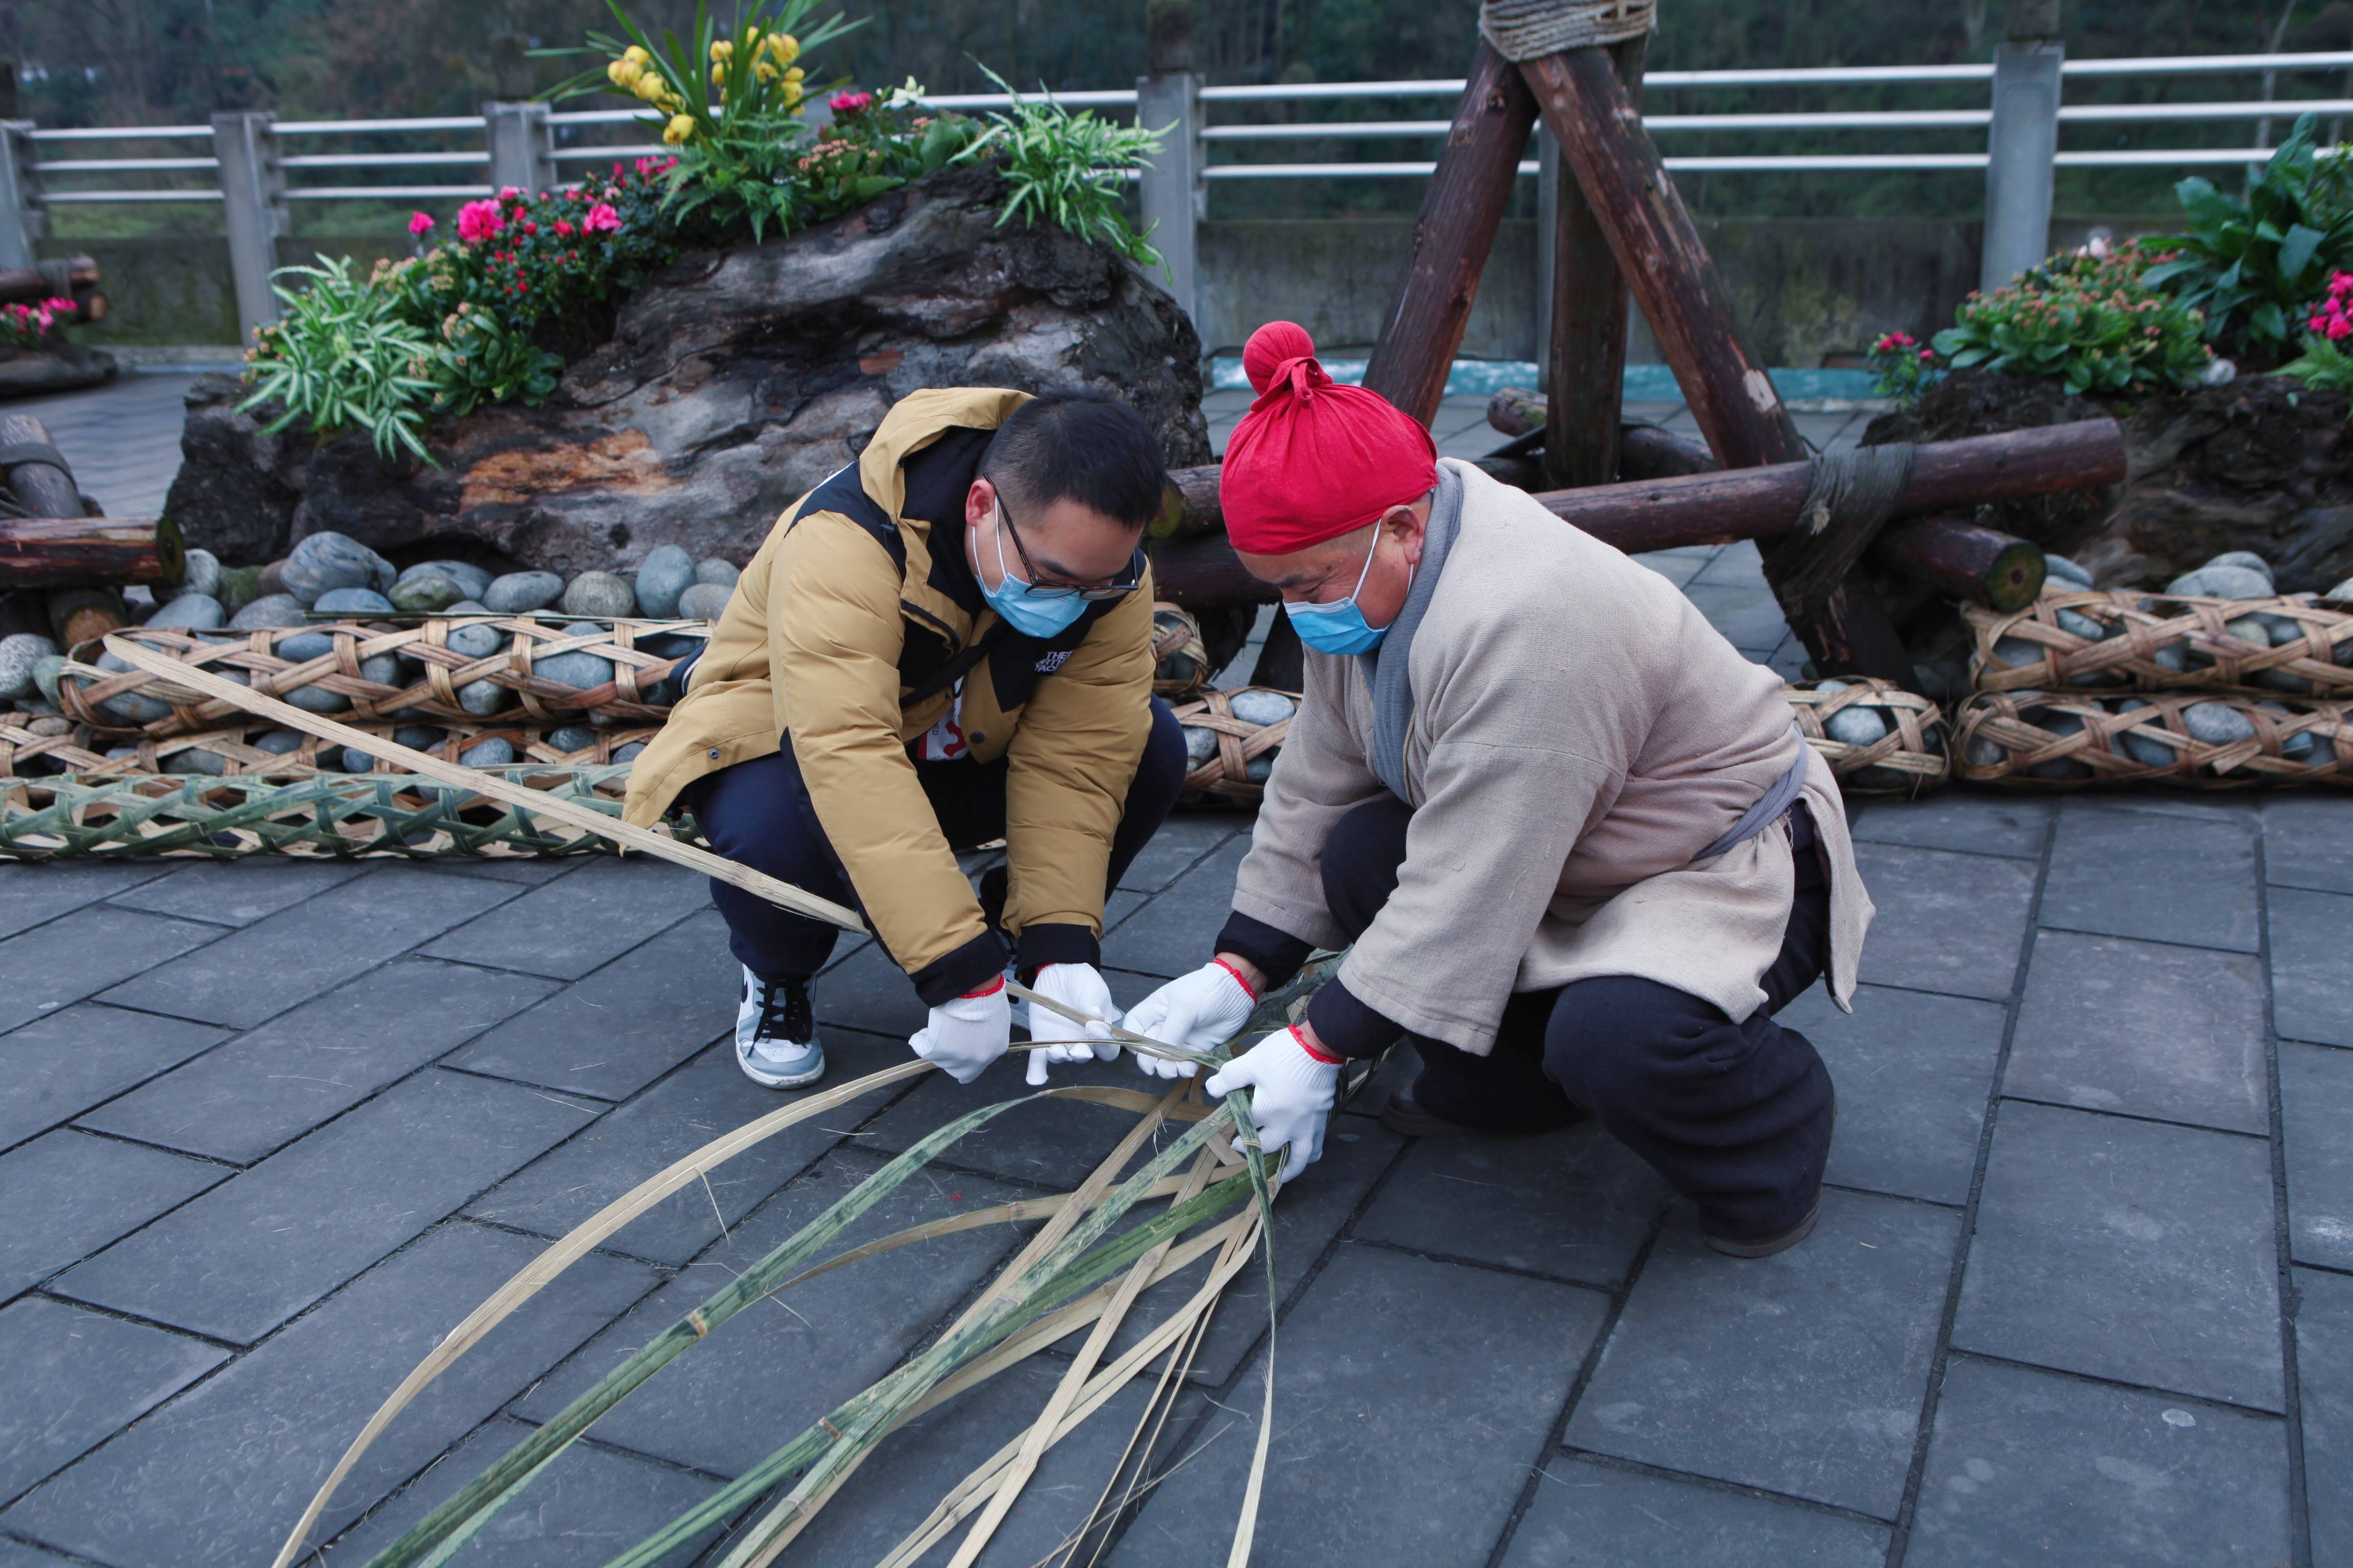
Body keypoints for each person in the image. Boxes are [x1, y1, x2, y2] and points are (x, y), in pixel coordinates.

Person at [1122, 323, 1874, 1258]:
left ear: (1401, 529)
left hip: (1719, 863)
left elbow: (1475, 875)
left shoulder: (1534, 621)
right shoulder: (1369, 575)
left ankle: (1771, 1123)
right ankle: (1518, 1084)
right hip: (1566, 849)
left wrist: (1320, 1045)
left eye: (1307, 584)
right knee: (1359, 850)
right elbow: (1320, 776)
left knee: (1618, 1040)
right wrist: (1241, 965)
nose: (1296, 610)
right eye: (1277, 588)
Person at [624, 387, 1190, 1090]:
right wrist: (954, 966)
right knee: (771, 830)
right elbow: (846, 753)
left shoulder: (1107, 576)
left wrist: (1060, 942)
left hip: (955, 753)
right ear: (981, 505)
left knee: (1150, 745)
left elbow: (1081, 757)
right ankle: (778, 975)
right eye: (1053, 578)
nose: (1074, 601)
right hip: (785, 749)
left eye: (1098, 585)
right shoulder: (846, 539)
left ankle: (1017, 947)